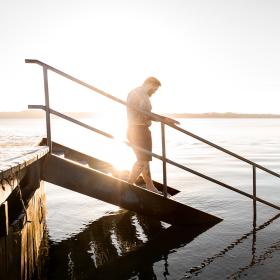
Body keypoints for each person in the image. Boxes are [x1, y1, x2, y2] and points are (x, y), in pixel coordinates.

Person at [126, 77, 179, 194]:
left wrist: (164, 119)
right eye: (154, 89)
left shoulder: (142, 94)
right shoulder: (137, 93)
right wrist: (164, 119)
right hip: (137, 130)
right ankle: (128, 186)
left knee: (144, 160)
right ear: (149, 83)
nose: (154, 92)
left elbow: (146, 114)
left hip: (141, 129)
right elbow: (144, 114)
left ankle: (150, 186)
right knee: (142, 161)